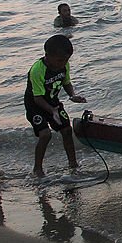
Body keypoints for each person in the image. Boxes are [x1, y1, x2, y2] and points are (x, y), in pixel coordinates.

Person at [25, 34, 87, 177]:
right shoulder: (37, 70)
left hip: (52, 101)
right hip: (35, 105)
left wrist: (72, 95)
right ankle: (37, 169)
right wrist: (51, 110)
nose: (63, 63)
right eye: (60, 60)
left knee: (66, 130)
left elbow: (66, 82)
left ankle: (73, 165)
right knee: (45, 135)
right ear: (47, 55)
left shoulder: (64, 65)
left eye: (66, 60)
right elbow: (38, 98)